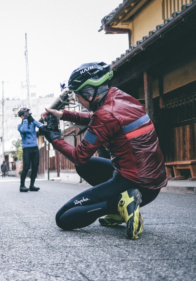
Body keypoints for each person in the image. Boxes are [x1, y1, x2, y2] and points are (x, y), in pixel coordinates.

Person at [40, 62, 167, 240]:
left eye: (77, 95)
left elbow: (79, 156)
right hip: (151, 182)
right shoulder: (118, 97)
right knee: (86, 167)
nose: (76, 100)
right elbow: (99, 118)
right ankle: (121, 207)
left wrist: (53, 138)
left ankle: (121, 202)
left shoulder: (105, 115)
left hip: (136, 184)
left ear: (90, 93)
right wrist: (64, 115)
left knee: (64, 218)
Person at [17, 108, 43, 192]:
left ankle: (32, 185)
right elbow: (24, 130)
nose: (28, 115)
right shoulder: (20, 126)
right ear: (22, 116)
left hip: (35, 147)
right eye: (26, 114)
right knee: (26, 167)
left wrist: (33, 120)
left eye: (28, 114)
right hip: (26, 148)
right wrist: (25, 120)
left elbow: (41, 125)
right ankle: (22, 186)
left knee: (35, 167)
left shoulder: (32, 123)